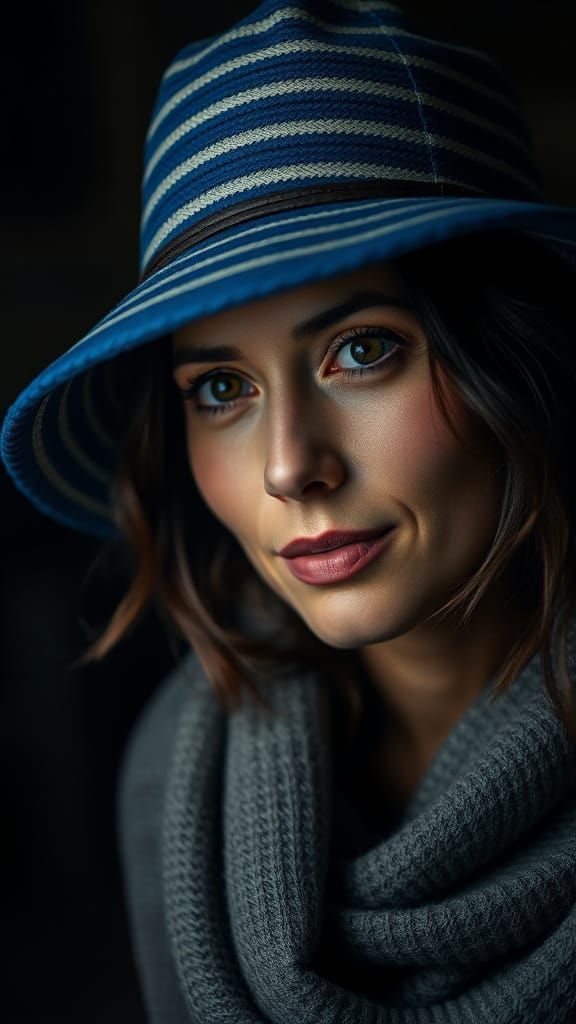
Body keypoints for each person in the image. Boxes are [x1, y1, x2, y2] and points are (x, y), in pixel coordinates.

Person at [2, 0, 576, 1020]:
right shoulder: (177, 789)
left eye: (362, 349)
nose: (287, 467)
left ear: (518, 355)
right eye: (221, 389)